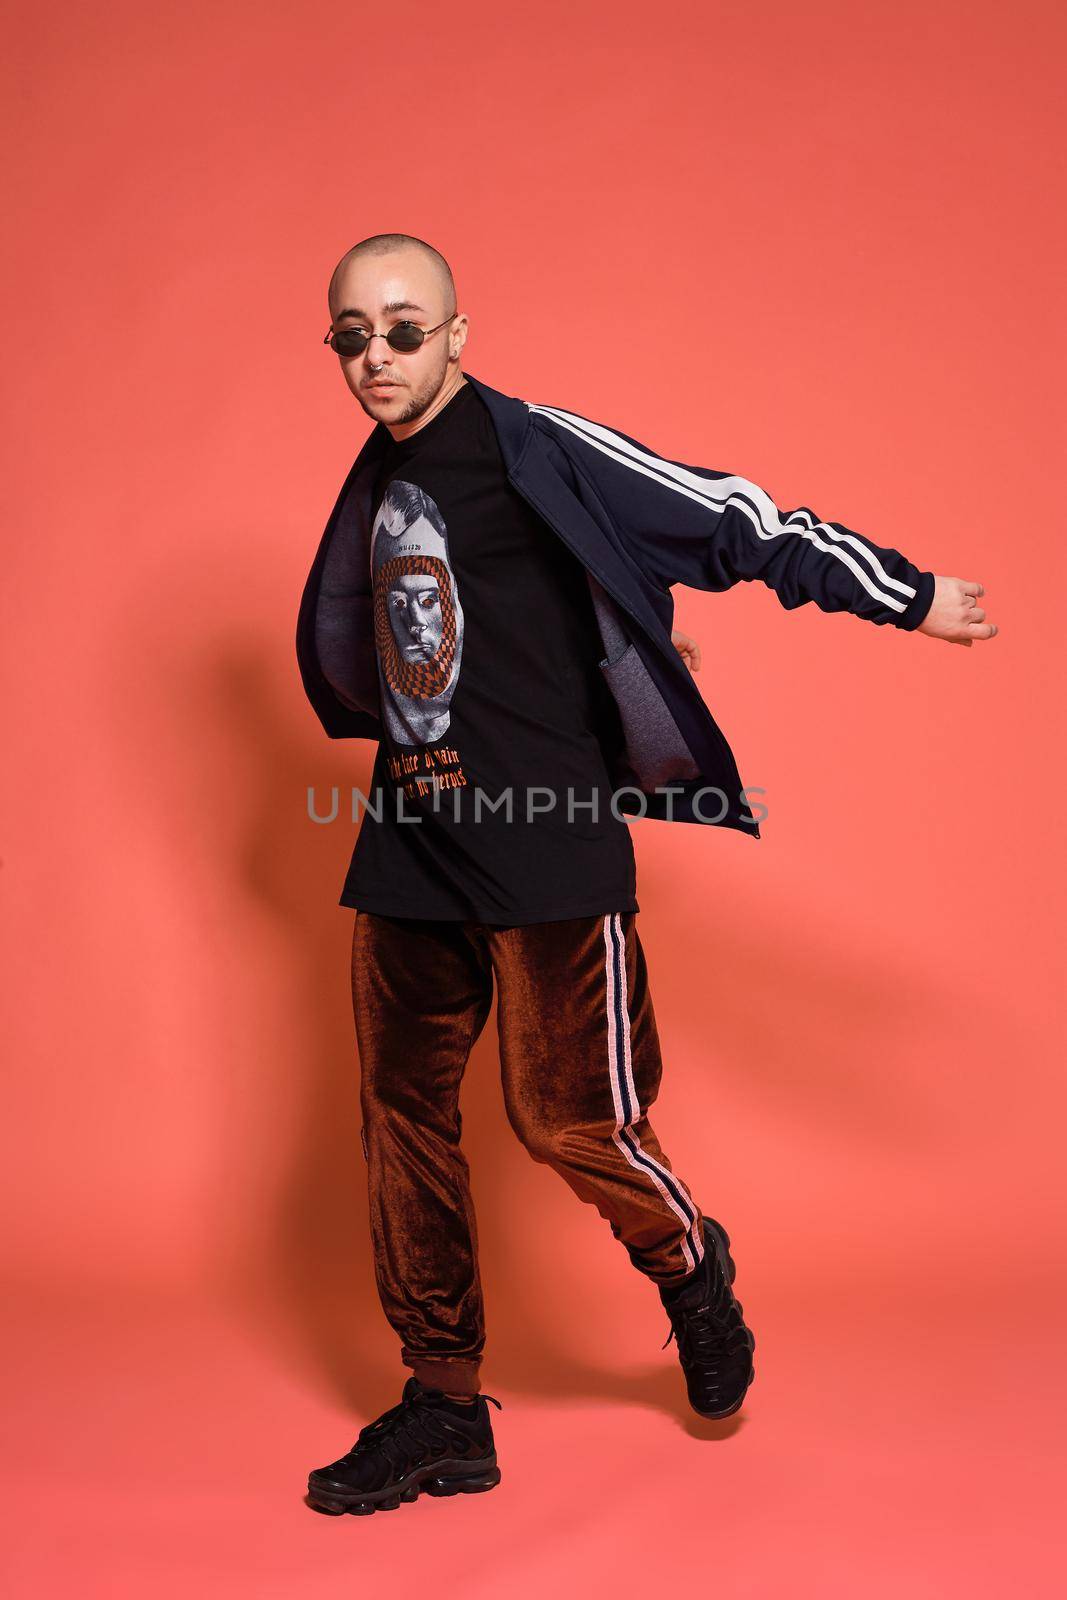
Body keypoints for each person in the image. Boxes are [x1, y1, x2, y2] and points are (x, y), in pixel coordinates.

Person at [298, 233, 997, 1517]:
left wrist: (904, 593)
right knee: (401, 1124)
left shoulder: (534, 445)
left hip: (549, 839)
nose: (376, 357)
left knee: (566, 1117)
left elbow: (729, 518)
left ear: (457, 334)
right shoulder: (375, 473)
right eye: (352, 334)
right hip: (406, 841)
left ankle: (686, 1263)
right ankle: (444, 1405)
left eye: (404, 329)